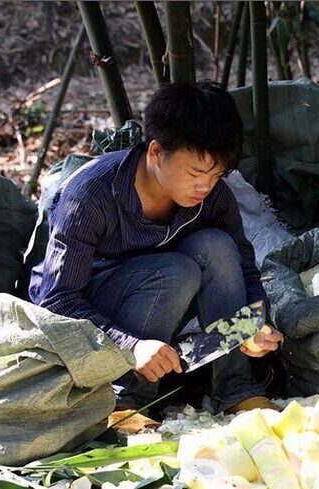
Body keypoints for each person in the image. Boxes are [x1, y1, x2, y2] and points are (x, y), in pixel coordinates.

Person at [30, 81, 283, 420]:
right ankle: (126, 399)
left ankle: (237, 388)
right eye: (196, 173)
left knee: (217, 246)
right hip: (94, 318)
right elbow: (57, 300)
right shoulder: (89, 196)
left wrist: (256, 323)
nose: (205, 186)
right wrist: (129, 345)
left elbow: (246, 271)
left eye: (216, 175)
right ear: (155, 152)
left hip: (169, 309)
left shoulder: (213, 198)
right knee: (175, 273)